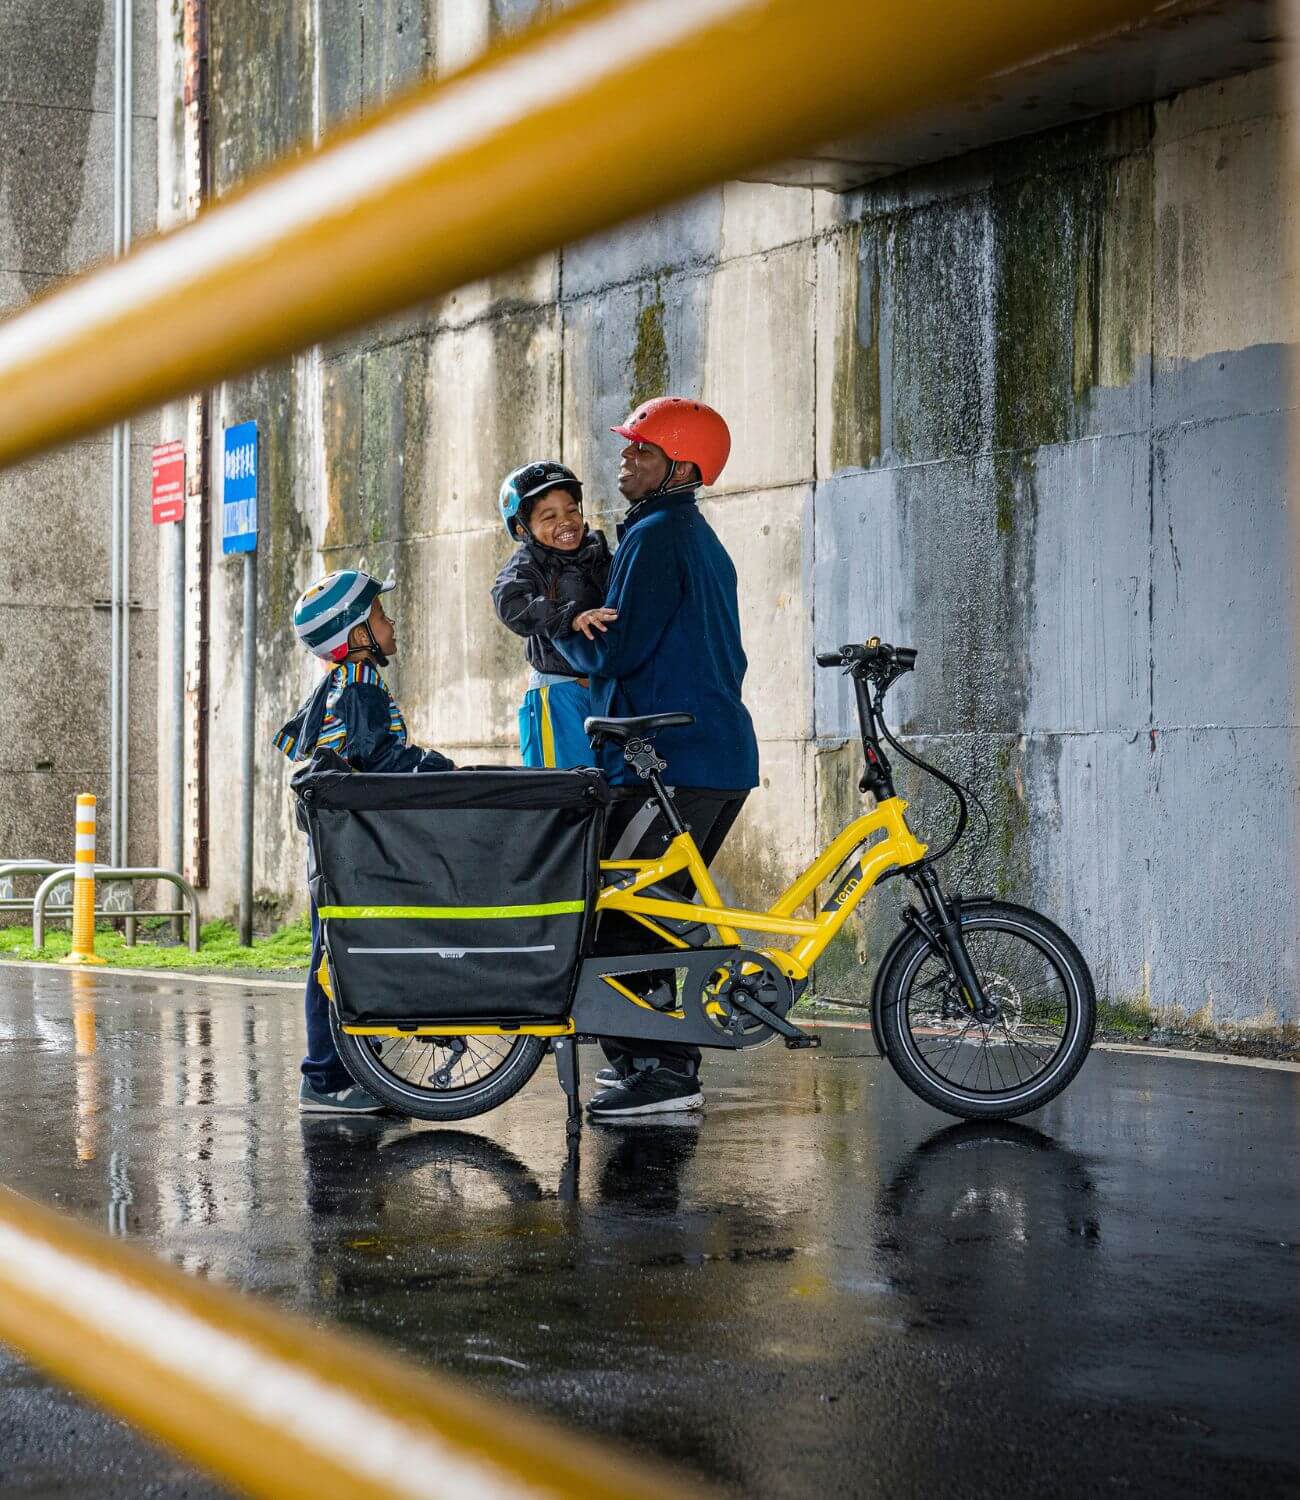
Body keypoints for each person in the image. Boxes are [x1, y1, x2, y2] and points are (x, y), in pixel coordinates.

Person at [552, 397, 759, 1119]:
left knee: (619, 911)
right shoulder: (690, 538)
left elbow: (619, 644)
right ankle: (646, 1059)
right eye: (628, 448)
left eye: (639, 450)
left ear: (679, 465)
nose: (624, 460)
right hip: (707, 756)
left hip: (668, 762)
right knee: (646, 909)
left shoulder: (659, 538)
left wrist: (556, 642)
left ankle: (667, 1073)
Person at [274, 567, 454, 1113]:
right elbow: (380, 759)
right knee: (333, 953)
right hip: (345, 845)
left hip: (338, 841)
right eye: (379, 614)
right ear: (356, 637)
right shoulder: (359, 684)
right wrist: (438, 768)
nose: (391, 620)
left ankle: (347, 1072)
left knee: (338, 951)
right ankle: (326, 1080)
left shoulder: (346, 682)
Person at [491, 460, 612, 767]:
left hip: (602, 691)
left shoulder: (597, 553)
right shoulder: (527, 563)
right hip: (557, 694)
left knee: (606, 793)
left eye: (572, 510)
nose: (566, 521)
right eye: (549, 516)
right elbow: (509, 601)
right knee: (566, 791)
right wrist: (566, 616)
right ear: (522, 528)